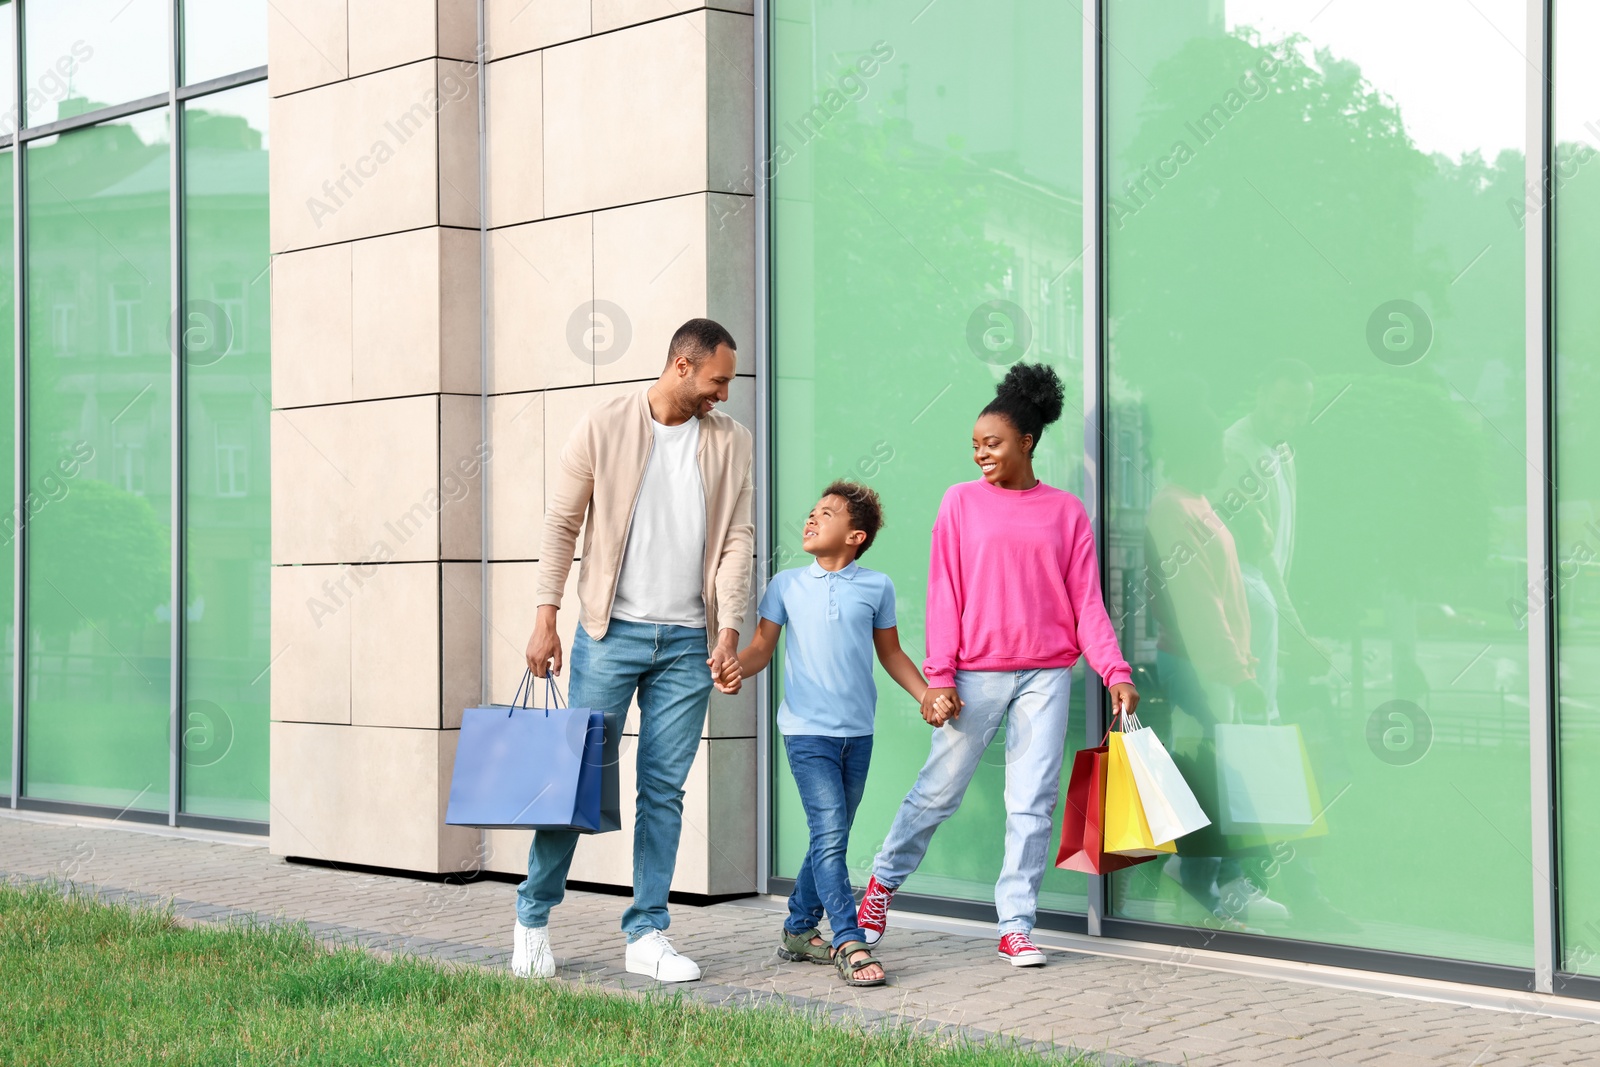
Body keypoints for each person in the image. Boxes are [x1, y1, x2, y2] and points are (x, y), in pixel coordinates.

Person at [856, 362, 1139, 967]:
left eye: (993, 443)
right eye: (976, 445)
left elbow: (1087, 601)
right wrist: (939, 676)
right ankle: (881, 884)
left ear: (1027, 442)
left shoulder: (1066, 513)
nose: (981, 453)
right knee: (938, 793)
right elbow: (944, 591)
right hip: (974, 674)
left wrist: (1115, 671)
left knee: (1032, 802)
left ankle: (1015, 925)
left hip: (1047, 674)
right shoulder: (959, 503)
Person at [513, 318, 752, 984]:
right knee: (573, 781)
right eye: (717, 381)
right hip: (608, 632)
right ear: (682, 365)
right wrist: (545, 620)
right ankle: (533, 916)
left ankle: (647, 931)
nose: (723, 395)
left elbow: (738, 539)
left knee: (663, 790)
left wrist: (727, 632)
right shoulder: (606, 423)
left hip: (686, 644)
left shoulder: (734, 443)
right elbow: (561, 524)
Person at [726, 481, 954, 987]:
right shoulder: (785, 585)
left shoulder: (877, 587)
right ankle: (848, 940)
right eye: (811, 512)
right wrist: (736, 668)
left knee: (829, 835)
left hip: (858, 734)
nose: (810, 519)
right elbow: (762, 648)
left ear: (854, 536)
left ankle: (798, 930)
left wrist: (924, 694)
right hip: (806, 733)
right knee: (831, 834)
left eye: (825, 514)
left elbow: (891, 654)